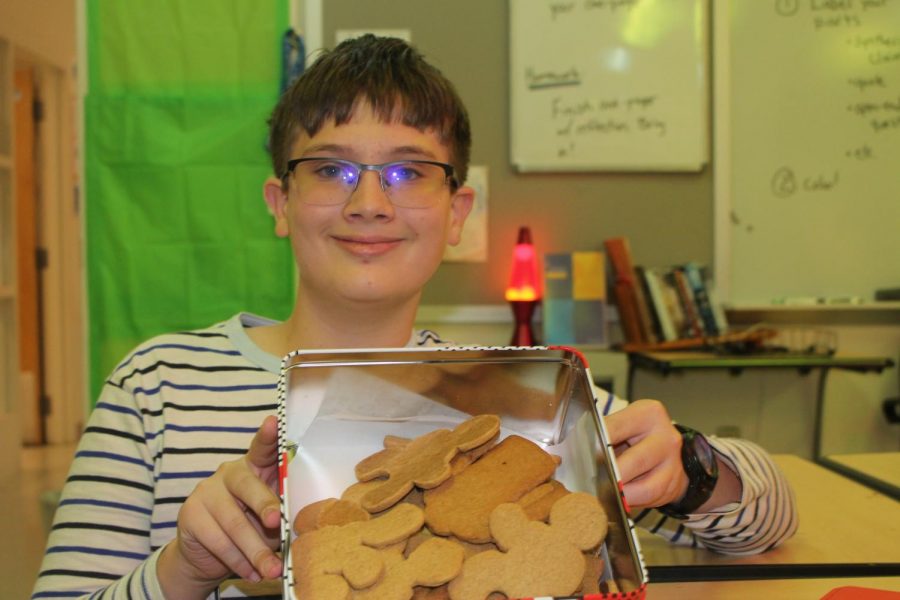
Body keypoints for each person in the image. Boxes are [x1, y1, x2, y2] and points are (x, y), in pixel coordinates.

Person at [32, 34, 796, 600]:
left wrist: (689, 471)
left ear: (456, 211)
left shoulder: (508, 403)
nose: (369, 202)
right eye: (330, 168)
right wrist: (182, 571)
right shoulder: (158, 386)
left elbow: (770, 515)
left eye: (408, 171)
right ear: (280, 203)